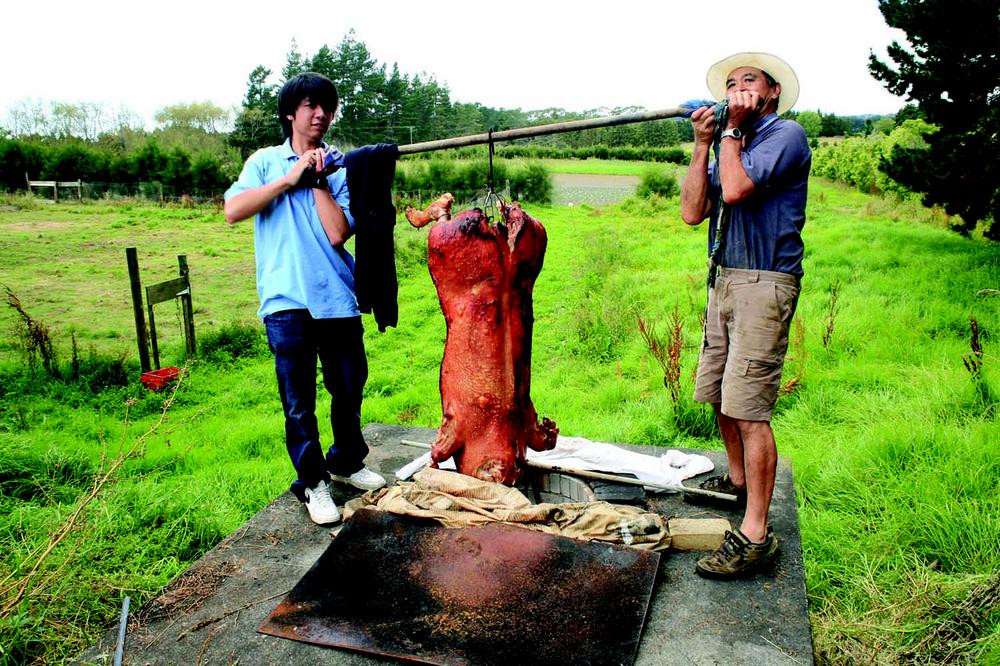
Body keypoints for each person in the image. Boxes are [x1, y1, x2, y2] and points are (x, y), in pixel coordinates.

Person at [224, 72, 385, 526]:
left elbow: (338, 232)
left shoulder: (340, 169)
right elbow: (233, 210)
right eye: (310, 106)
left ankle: (347, 462)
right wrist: (290, 177)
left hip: (336, 296)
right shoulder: (263, 162)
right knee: (298, 402)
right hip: (285, 301)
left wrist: (316, 181)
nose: (320, 114)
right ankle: (313, 483)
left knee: (349, 388)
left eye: (327, 107)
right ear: (291, 113)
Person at [679, 53, 811, 579]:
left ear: (772, 92)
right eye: (728, 84)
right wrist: (704, 143)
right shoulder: (730, 143)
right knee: (719, 394)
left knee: (749, 406)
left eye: (746, 81)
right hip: (725, 277)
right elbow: (694, 211)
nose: (735, 90)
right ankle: (737, 482)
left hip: (766, 282)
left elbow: (735, 190)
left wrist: (729, 131)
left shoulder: (786, 135)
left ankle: (756, 534)